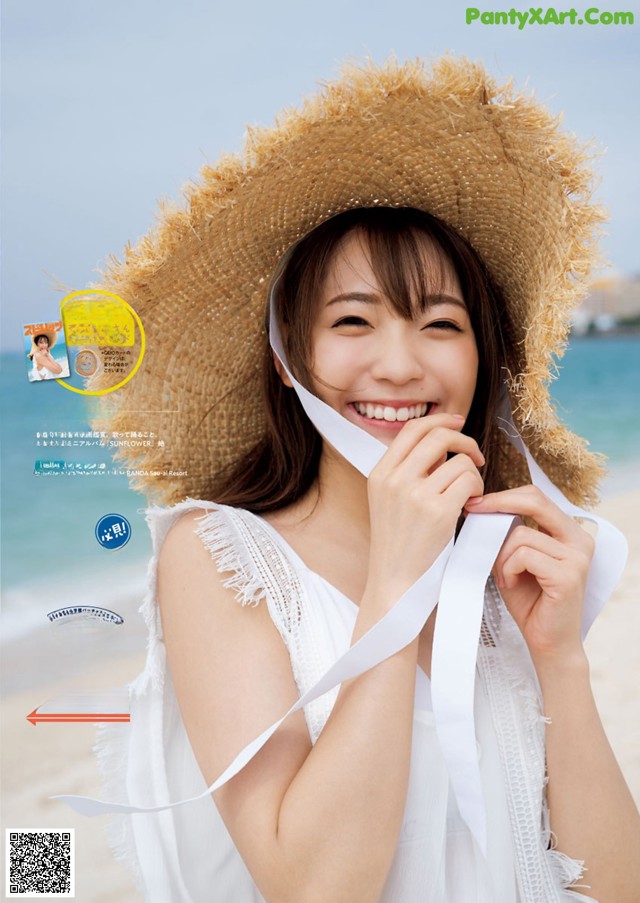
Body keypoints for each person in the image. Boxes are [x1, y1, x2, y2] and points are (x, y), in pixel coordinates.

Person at [66, 57, 640, 902]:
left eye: (441, 324)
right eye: (353, 321)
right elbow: (313, 887)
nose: (400, 365)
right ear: (287, 359)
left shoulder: (503, 568)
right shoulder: (221, 556)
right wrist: (397, 581)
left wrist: (559, 659)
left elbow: (617, 886)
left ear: (483, 360)